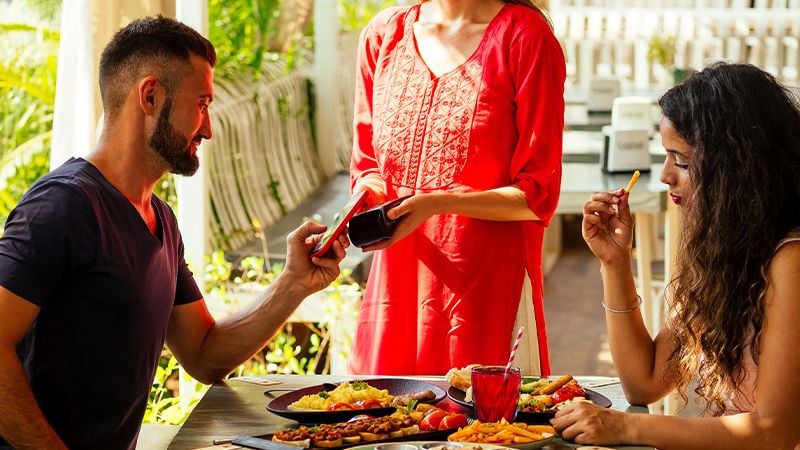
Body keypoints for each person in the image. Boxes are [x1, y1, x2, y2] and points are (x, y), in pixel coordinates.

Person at [0, 16, 348, 449]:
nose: (208, 128)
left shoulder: (160, 219)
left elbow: (204, 354)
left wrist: (293, 284)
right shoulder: (62, 208)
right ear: (150, 96)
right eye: (201, 104)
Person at [552, 62, 800, 448]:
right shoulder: (726, 252)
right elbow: (644, 382)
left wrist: (624, 427)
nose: (665, 174)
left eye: (681, 161)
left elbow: (774, 433)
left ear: (735, 171)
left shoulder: (790, 261)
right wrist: (615, 264)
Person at [347, 0, 566, 376]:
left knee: (489, 430)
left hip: (488, 297)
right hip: (393, 296)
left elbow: (537, 193)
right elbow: (367, 167)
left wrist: (437, 203)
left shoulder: (525, 37)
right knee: (383, 425)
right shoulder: (383, 35)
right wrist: (358, 209)